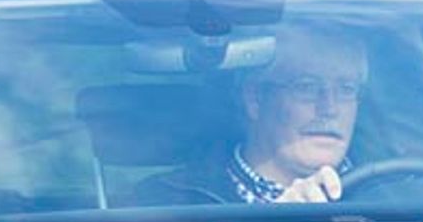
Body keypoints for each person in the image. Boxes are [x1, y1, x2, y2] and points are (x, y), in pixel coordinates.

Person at [133, 23, 367, 206]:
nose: (330, 108)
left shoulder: (386, 196)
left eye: (346, 90)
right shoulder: (165, 202)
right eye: (306, 87)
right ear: (254, 99)